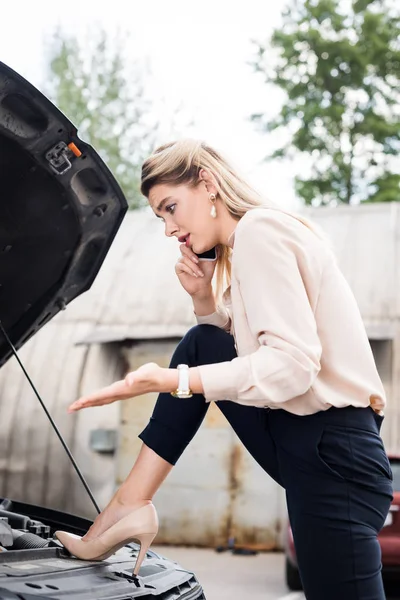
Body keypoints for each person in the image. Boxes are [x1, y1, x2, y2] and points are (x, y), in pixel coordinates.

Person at [56, 140, 393, 600]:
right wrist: (204, 302)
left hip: (334, 452)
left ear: (208, 184)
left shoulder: (260, 232)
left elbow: (291, 367)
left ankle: (127, 505)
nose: (170, 229)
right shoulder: (246, 249)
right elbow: (225, 352)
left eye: (171, 208)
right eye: (160, 218)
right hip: (309, 446)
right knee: (202, 340)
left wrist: (173, 380)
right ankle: (128, 504)